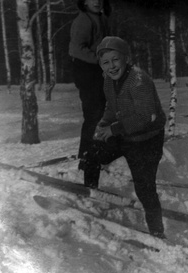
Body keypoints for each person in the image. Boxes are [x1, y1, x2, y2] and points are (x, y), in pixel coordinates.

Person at [83, 36, 167, 239]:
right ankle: (88, 195)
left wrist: (113, 129)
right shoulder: (109, 81)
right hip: (126, 134)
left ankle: (157, 232)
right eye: (105, 62)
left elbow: (146, 117)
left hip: (147, 139)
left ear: (126, 58)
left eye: (115, 60)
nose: (111, 66)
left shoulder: (138, 80)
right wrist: (103, 125)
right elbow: (112, 107)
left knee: (144, 188)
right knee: (92, 153)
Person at [69, 0, 111, 170]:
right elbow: (76, 49)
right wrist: (100, 60)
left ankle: (94, 153)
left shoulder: (101, 18)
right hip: (85, 70)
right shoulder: (84, 20)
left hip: (97, 70)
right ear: (84, 2)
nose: (97, 2)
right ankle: (86, 158)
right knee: (93, 114)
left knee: (101, 112)